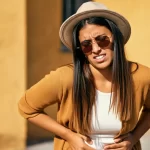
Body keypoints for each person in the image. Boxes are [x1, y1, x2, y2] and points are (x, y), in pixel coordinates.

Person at [18, 1, 150, 150]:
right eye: (86, 44)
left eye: (102, 39)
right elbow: (26, 107)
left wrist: (133, 137)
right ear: (81, 50)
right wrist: (69, 136)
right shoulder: (66, 77)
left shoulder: (140, 76)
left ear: (115, 38)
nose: (96, 49)